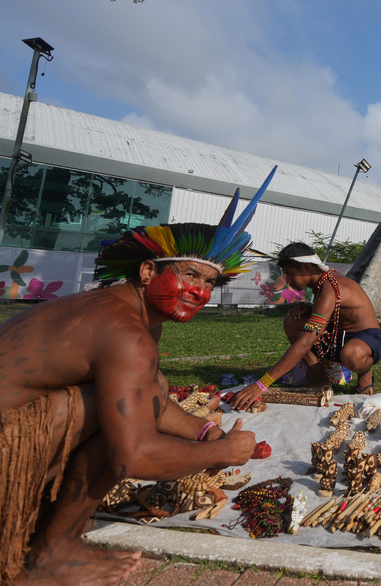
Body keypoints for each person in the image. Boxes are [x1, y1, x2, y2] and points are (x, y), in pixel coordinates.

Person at [0, 169, 274, 585]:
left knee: (146, 390)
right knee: (124, 430)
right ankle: (50, 555)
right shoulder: (127, 334)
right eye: (189, 275)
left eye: (210, 283)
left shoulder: (131, 312)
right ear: (148, 272)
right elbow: (136, 456)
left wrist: (204, 432)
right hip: (7, 448)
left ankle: (51, 540)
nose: (200, 293)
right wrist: (225, 452)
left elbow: (152, 395)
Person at [231, 243, 381, 409]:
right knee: (292, 321)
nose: (288, 282)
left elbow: (304, 343)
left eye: (290, 274)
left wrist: (261, 384)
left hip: (365, 338)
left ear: (306, 267)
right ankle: (319, 379)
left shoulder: (329, 287)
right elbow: (334, 310)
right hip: (335, 336)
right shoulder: (323, 281)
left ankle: (365, 374)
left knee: (352, 355)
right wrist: (309, 307)